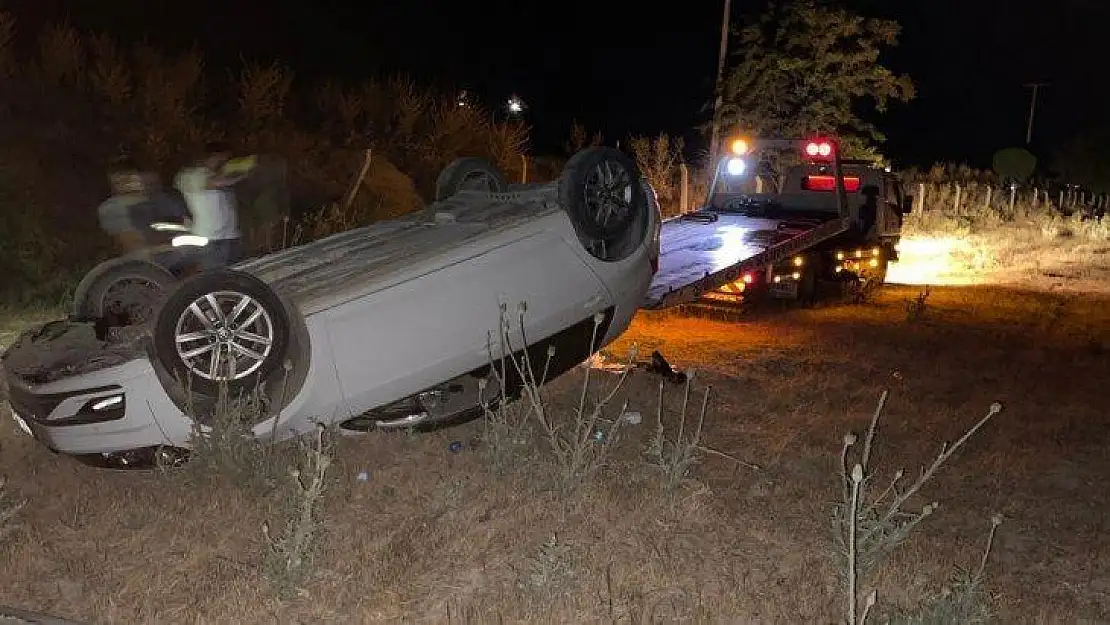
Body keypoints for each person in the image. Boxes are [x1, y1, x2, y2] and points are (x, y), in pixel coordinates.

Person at [174, 141, 248, 269]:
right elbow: (215, 183)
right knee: (215, 279)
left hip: (230, 235)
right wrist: (244, 175)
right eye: (222, 158)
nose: (224, 162)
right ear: (212, 157)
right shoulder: (189, 176)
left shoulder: (216, 174)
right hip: (210, 238)